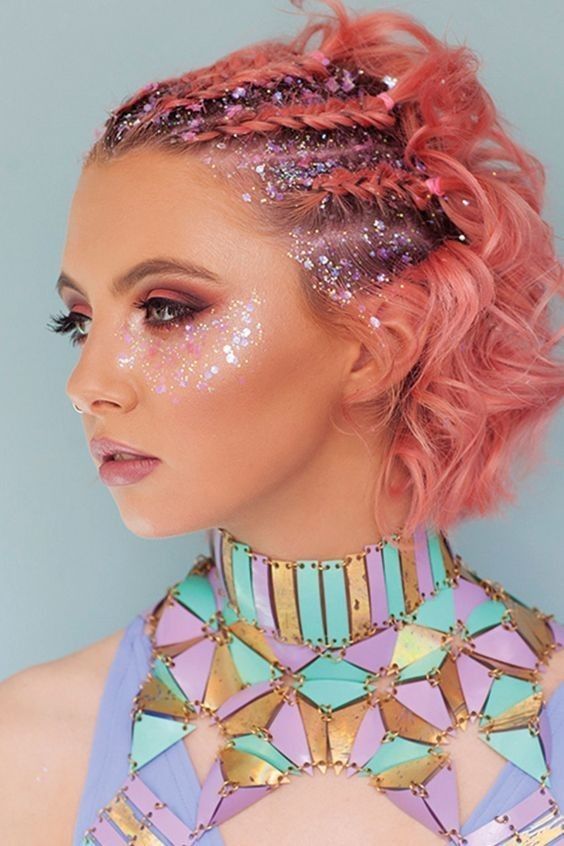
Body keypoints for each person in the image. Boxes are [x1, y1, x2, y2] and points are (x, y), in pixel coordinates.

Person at [2, 0, 564, 843]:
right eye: (79, 321)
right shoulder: (28, 749)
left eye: (166, 308)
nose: (87, 385)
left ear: (376, 345)